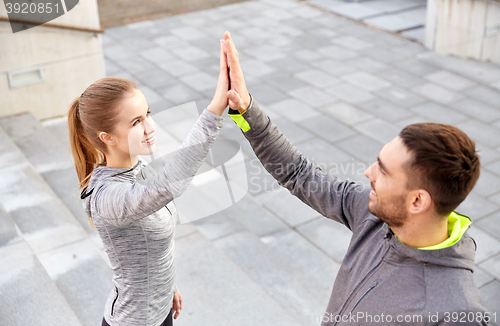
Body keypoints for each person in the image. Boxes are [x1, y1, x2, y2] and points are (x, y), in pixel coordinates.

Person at [222, 31, 489, 325]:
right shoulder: (374, 214)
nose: (368, 173)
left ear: (417, 200)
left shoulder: (455, 312)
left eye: (383, 170)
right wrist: (245, 108)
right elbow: (299, 173)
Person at [68, 38, 230, 326]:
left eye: (148, 115)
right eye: (135, 122)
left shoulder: (136, 168)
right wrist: (216, 108)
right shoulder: (108, 197)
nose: (150, 127)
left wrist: (169, 288)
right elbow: (168, 186)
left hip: (159, 312)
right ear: (107, 138)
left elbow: (147, 249)